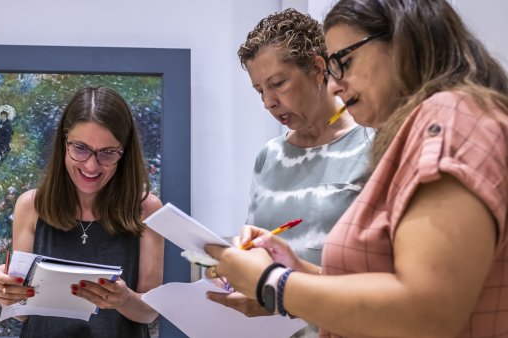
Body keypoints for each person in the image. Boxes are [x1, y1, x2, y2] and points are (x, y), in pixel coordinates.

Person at [205, 0, 508, 337]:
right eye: (260, 90)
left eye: (344, 63)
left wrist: (273, 283)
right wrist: (296, 270)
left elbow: (426, 311)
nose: (335, 85)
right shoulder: (434, 125)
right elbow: (383, 281)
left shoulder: (449, 121)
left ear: (401, 43)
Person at [205, 8, 373, 338]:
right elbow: (257, 249)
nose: (269, 102)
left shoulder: (373, 144)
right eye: (259, 91)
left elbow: (384, 279)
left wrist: (285, 292)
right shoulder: (268, 157)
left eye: (278, 84)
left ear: (317, 68)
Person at [0, 86, 164, 337]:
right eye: (80, 148)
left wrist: (124, 300)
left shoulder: (147, 209)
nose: (91, 165)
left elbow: (149, 312)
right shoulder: (31, 206)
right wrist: (4, 291)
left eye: (108, 153)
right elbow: (23, 312)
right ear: (63, 142)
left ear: (124, 153)